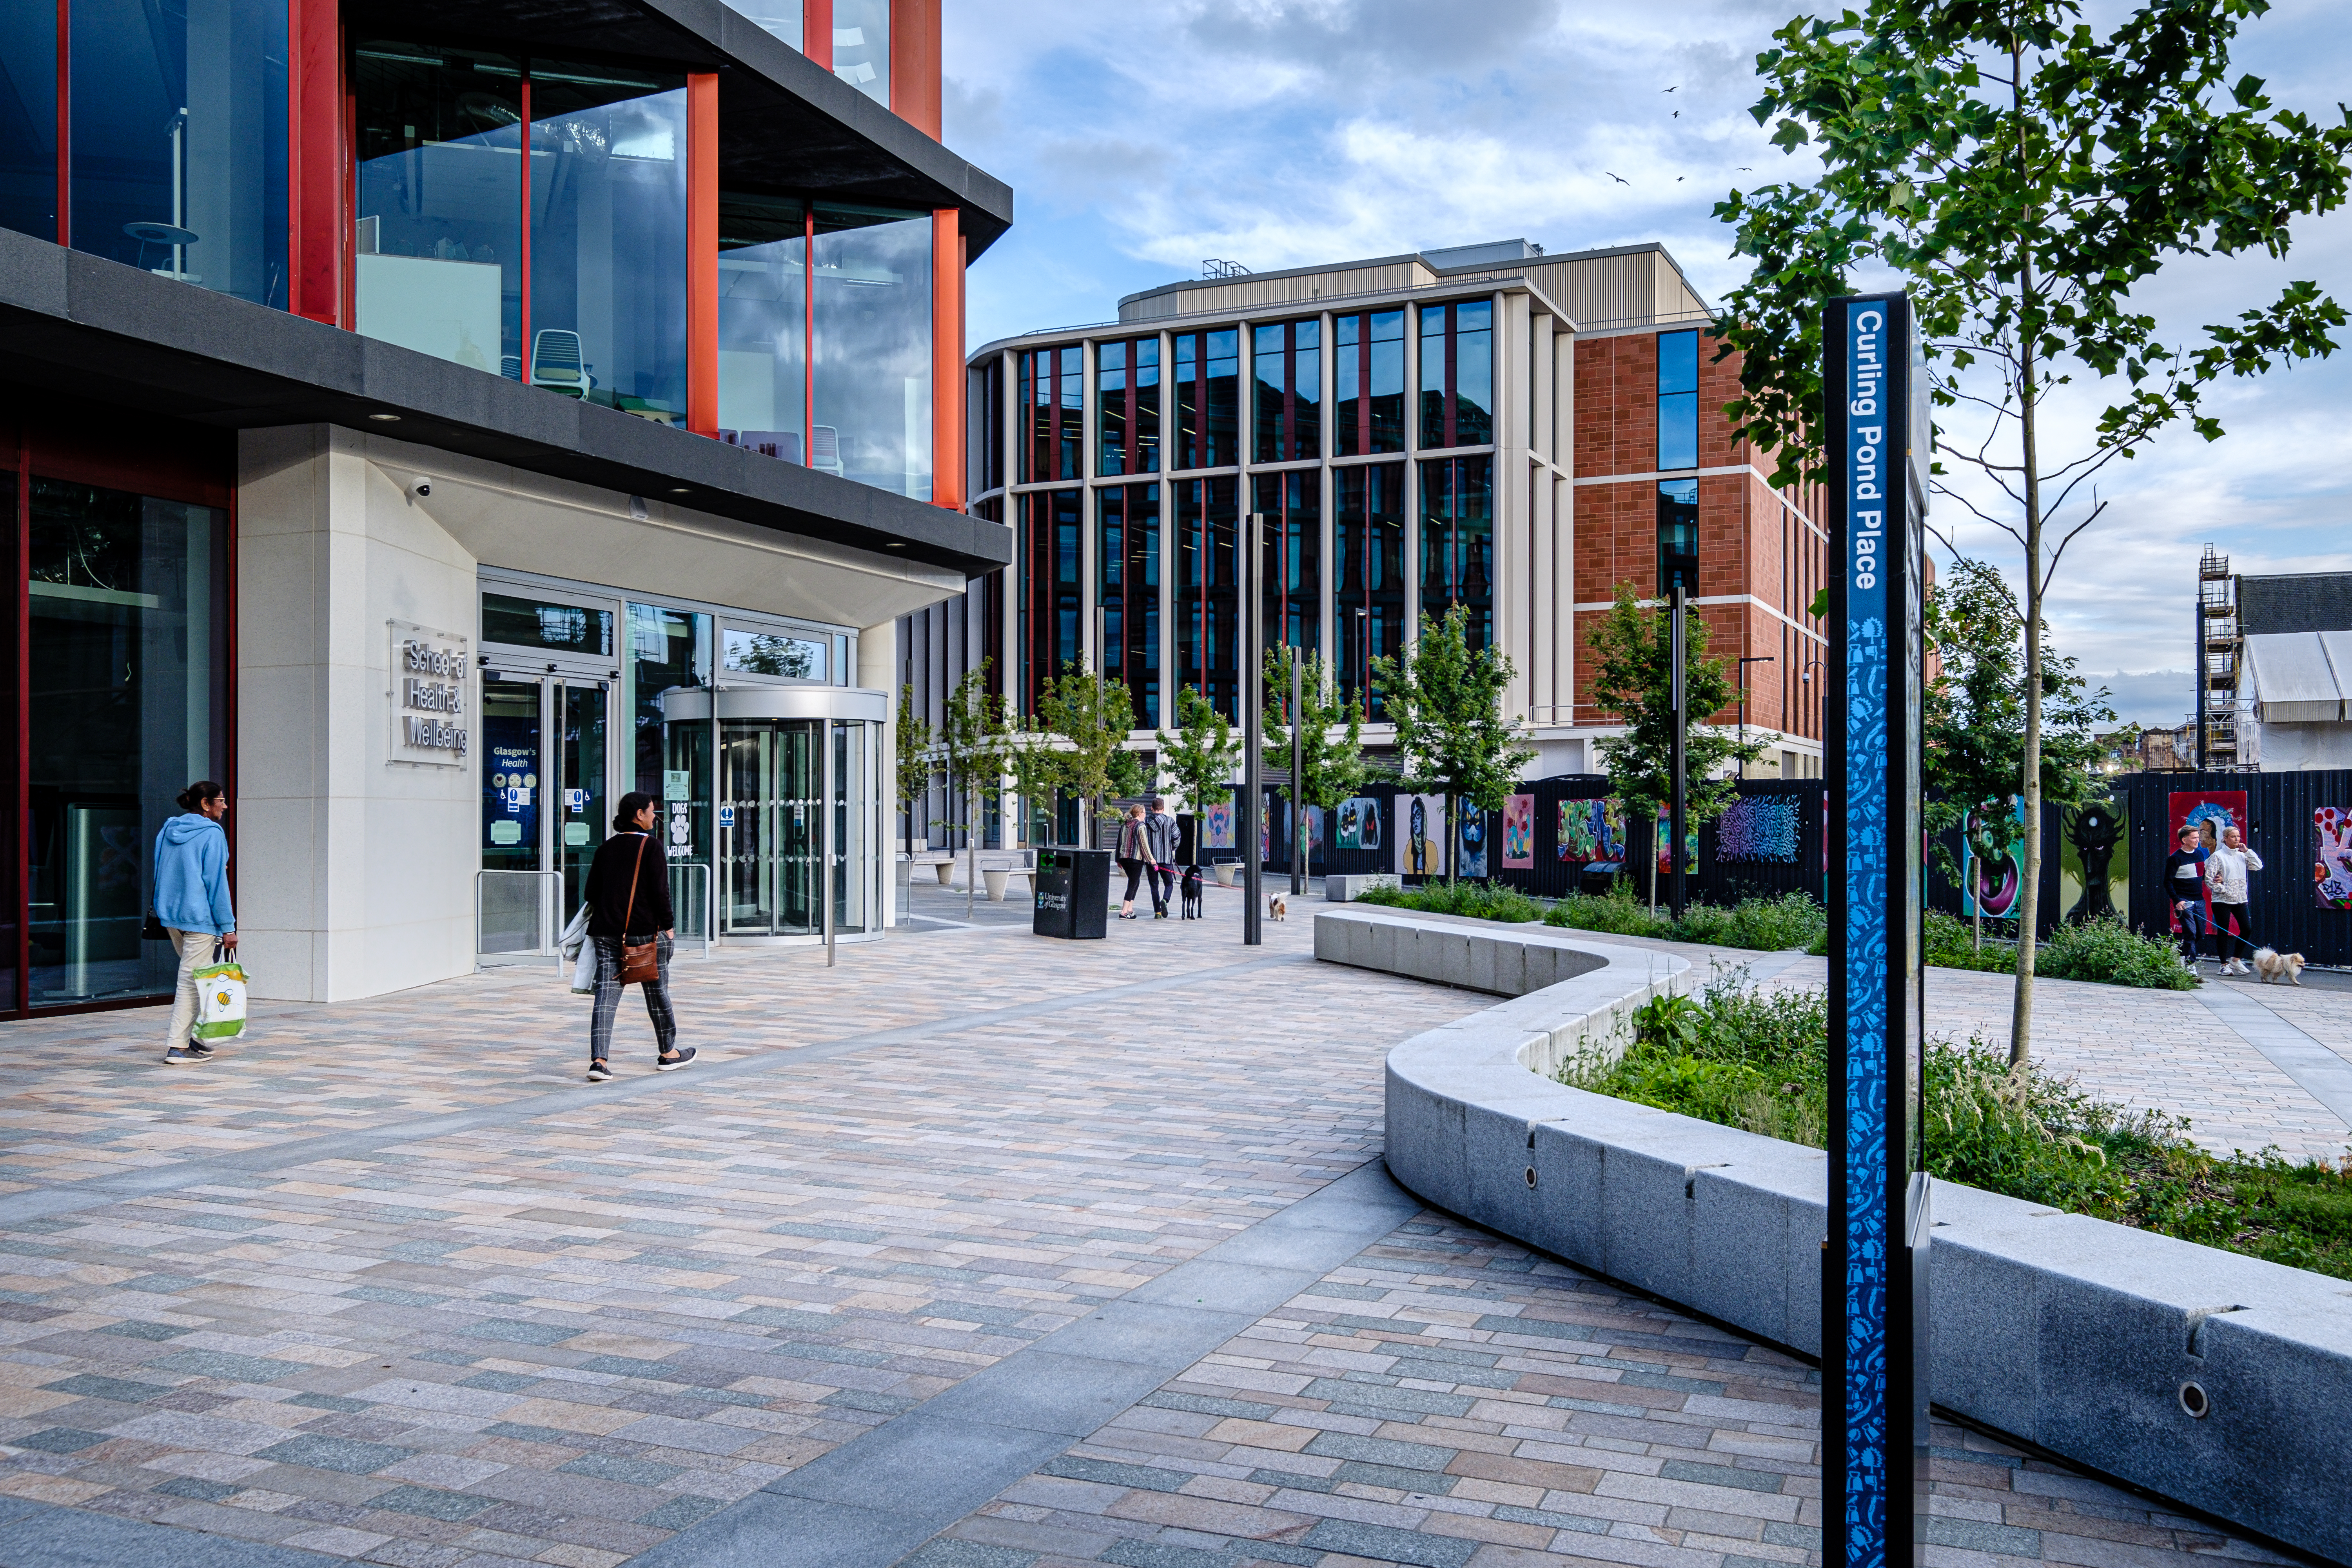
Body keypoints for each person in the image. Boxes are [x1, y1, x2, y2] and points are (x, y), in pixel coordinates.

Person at [584, 792, 692, 1082]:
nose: (655, 817)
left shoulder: (605, 848)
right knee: (657, 993)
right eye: (652, 811)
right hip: (644, 933)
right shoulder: (651, 846)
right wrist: (668, 926)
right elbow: (660, 892)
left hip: (607, 933)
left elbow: (590, 894)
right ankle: (668, 1053)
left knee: (605, 997)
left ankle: (599, 1061)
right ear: (639, 815)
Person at [153, 780, 237, 1065]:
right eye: (221, 801)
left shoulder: (168, 829)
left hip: (172, 917)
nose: (224, 807)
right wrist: (228, 927)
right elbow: (216, 884)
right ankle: (177, 1047)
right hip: (200, 919)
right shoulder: (213, 834)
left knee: (199, 977)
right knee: (191, 982)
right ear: (205, 804)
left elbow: (158, 870)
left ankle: (196, 1039)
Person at [2207, 823, 2264, 975]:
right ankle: (2223, 965)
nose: (2237, 839)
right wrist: (2223, 889)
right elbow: (2209, 878)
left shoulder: (2241, 855)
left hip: (2240, 899)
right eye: (2233, 836)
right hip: (2222, 901)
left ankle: (2236, 959)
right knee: (2223, 932)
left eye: (2238, 836)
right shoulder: (2218, 856)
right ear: (2225, 839)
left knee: (2247, 928)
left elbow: (2258, 866)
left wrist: (2248, 851)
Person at [2163, 824, 2210, 971]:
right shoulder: (2175, 859)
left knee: (2201, 933)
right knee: (2191, 931)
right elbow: (2168, 882)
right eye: (2195, 838)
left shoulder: (2200, 855)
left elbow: (2200, 876)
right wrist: (2177, 901)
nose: (2198, 840)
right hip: (2184, 900)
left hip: (2199, 900)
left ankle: (2180, 950)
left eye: (2198, 837)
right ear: (2184, 840)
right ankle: (2191, 966)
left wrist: (2213, 879)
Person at [1144, 797, 1180, 918]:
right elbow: (1177, 838)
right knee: (1169, 883)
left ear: (1152, 809)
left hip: (1152, 862)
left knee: (1154, 885)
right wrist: (1172, 848)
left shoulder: (1145, 821)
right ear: (1163, 809)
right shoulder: (1170, 821)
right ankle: (1165, 900)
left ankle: (1158, 912)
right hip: (1166, 860)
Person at [1115, 802, 1151, 920]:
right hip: (1135, 859)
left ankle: (1130, 909)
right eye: (1145, 813)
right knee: (1133, 884)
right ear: (1140, 814)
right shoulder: (1141, 826)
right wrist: (1151, 859)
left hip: (1124, 859)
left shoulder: (1125, 825)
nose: (1146, 815)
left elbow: (1119, 843)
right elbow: (1144, 845)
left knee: (1135, 882)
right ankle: (1124, 912)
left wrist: (1118, 859)